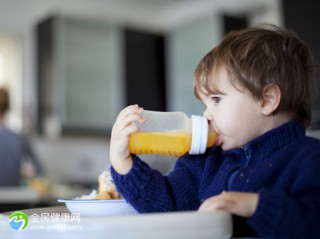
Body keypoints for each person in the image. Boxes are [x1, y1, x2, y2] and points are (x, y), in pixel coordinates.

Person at [109, 24, 320, 238]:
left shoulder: (310, 159)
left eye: (216, 100)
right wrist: (124, 165)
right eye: (205, 104)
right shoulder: (204, 161)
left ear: (267, 100)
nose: (206, 116)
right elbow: (167, 205)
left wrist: (255, 206)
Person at [0, 87, 43, 186]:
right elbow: (39, 169)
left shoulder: (19, 138)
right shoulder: (18, 138)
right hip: (15, 197)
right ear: (8, 108)